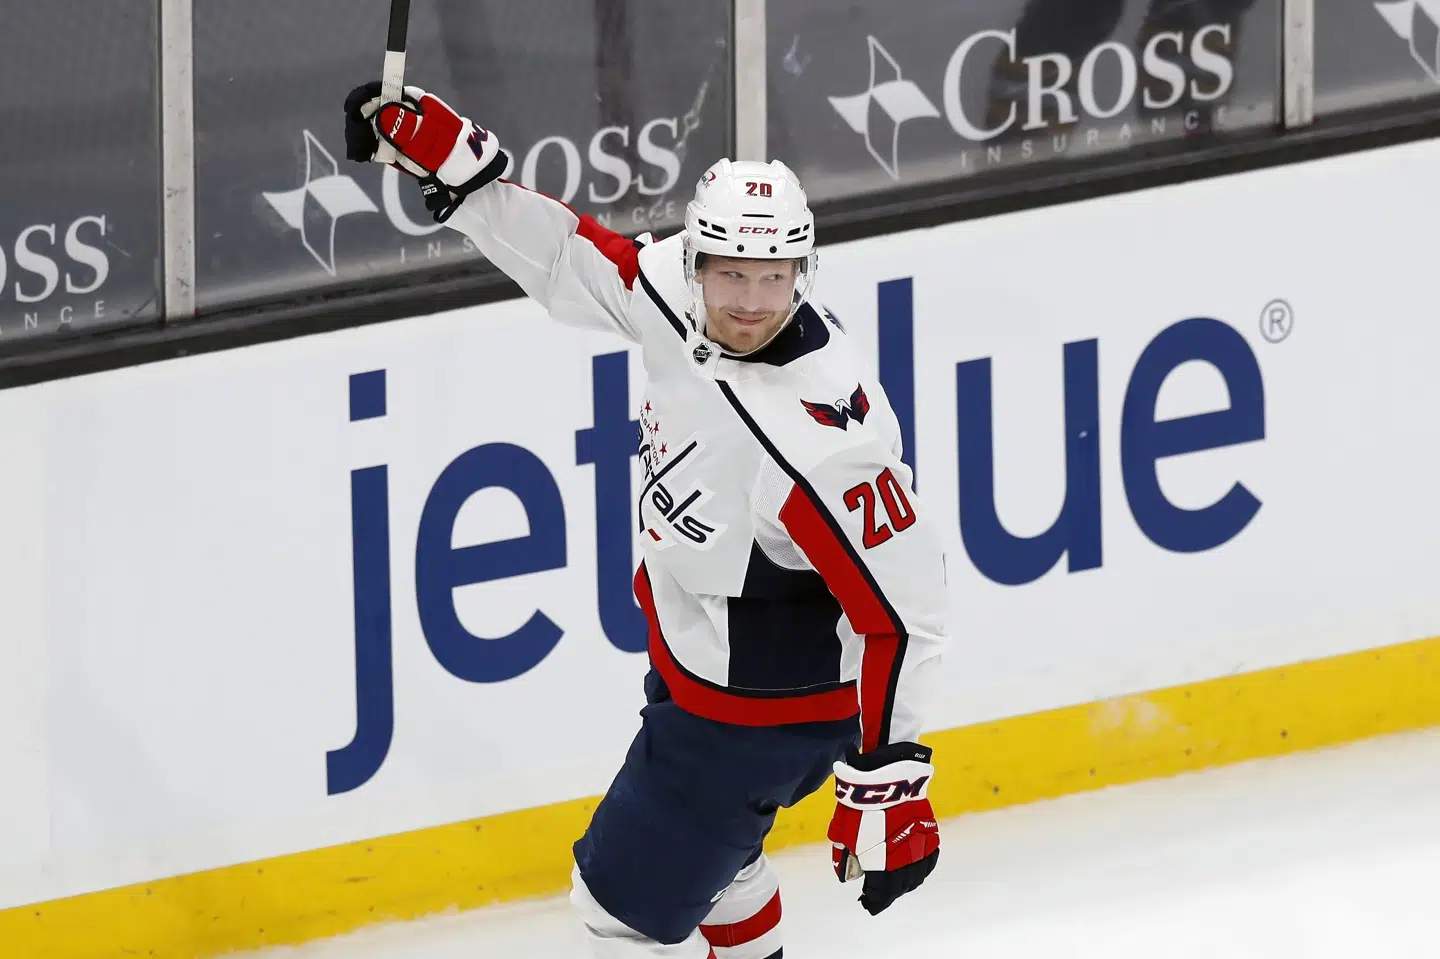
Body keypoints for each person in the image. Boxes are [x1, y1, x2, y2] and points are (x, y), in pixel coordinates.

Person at [343, 81, 950, 959]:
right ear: (697, 261)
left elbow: (904, 609)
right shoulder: (676, 291)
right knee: (720, 867)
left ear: (801, 272)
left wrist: (889, 781)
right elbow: (571, 262)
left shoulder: (821, 436)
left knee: (615, 907)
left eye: (772, 278)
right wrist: (465, 180)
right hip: (707, 663)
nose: (749, 300)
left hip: (753, 712)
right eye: (732, 274)